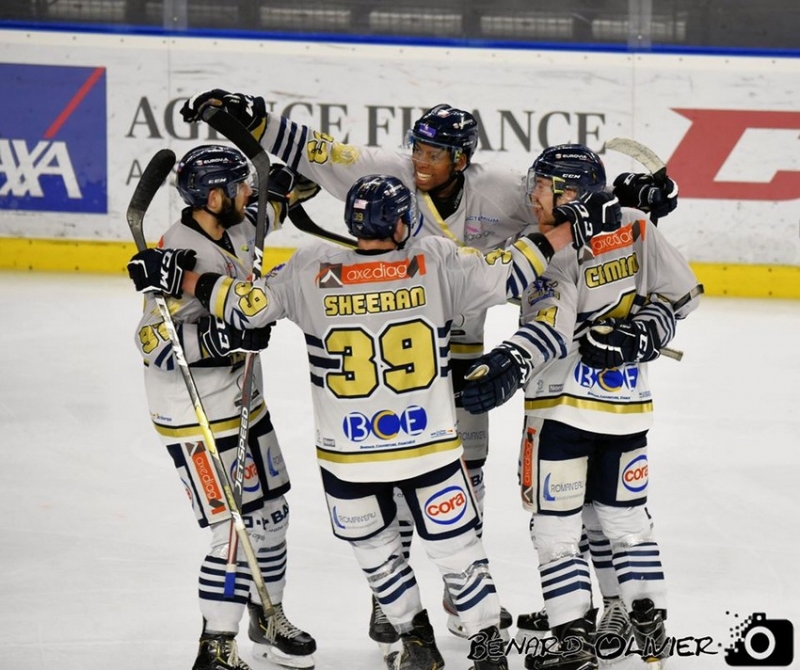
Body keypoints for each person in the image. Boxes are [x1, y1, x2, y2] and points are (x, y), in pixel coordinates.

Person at [179, 90, 680, 643]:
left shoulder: (505, 189)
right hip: (401, 362)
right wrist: (255, 119)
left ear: (462, 159)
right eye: (417, 147)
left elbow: (566, 199)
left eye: (435, 153)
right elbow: (317, 151)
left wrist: (626, 196)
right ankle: (390, 598)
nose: (420, 160)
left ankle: (462, 592)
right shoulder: (388, 174)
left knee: (466, 476)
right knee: (390, 484)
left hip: (464, 358)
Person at [126, 173, 617, 670]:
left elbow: (246, 307)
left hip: (350, 458)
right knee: (459, 555)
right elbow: (513, 267)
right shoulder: (436, 260)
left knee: (380, 554)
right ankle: (488, 652)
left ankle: (416, 640)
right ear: (403, 223)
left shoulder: (308, 269)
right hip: (430, 448)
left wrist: (182, 280)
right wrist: (569, 231)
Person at [459, 144, 703, 670]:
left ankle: (574, 635)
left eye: (543, 186)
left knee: (555, 526)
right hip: (627, 409)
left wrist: (510, 362)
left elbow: (547, 326)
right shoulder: (637, 224)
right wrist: (645, 332)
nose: (531, 194)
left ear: (569, 194)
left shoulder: (547, 247)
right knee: (623, 516)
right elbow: (682, 294)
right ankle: (644, 615)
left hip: (559, 409)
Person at [127, 145, 318, 670]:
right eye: (241, 187)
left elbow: (278, 205)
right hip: (194, 416)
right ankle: (217, 645)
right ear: (215, 196)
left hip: (243, 404)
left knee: (273, 515)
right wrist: (223, 337)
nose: (249, 194)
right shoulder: (177, 255)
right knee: (232, 527)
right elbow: (152, 343)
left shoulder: (235, 225)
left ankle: (268, 616)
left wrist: (294, 179)